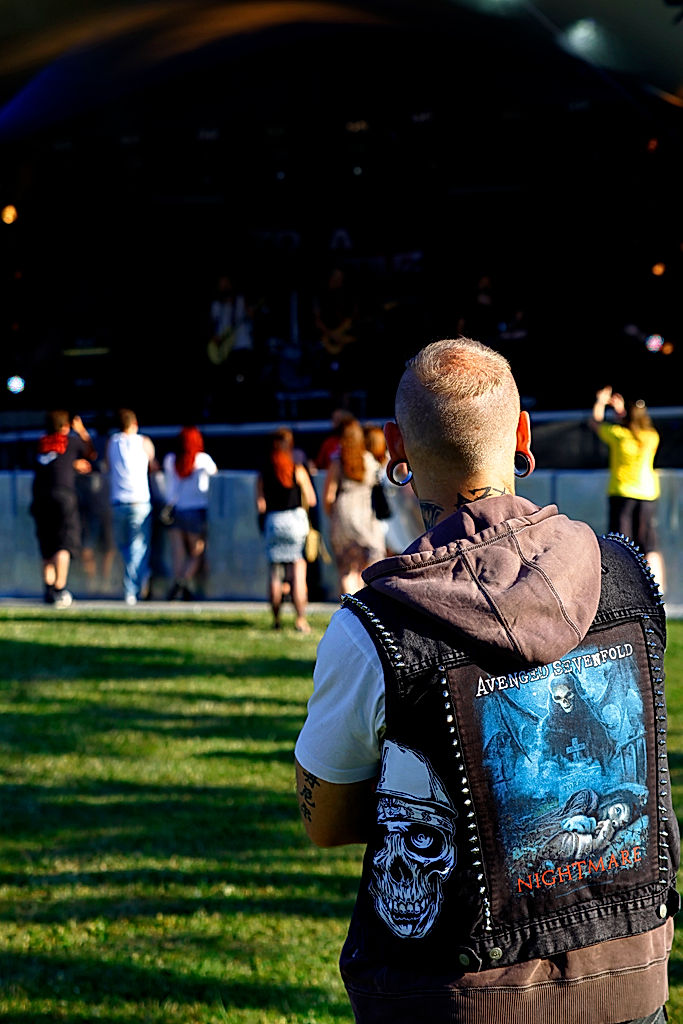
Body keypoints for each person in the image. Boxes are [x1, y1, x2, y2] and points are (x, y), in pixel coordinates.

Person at [295, 337, 678, 1024]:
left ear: (394, 448)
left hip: (452, 997)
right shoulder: (626, 571)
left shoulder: (373, 625)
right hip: (628, 978)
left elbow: (325, 821)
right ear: (521, 431)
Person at [590, 386, 664, 594]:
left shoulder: (619, 435)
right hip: (647, 494)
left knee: (621, 543)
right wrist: (624, 411)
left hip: (622, 493)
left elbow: (595, 423)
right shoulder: (651, 437)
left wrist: (601, 403)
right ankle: (656, 590)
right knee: (648, 544)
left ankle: (623, 588)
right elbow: (634, 423)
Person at [30, 409, 96, 607]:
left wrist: (71, 464)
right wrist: (82, 431)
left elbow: (53, 463)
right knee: (63, 544)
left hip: (40, 499)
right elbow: (91, 453)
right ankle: (60, 588)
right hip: (63, 498)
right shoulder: (70, 442)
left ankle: (48, 590)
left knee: (47, 547)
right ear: (65, 426)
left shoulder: (40, 444)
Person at [256, 427, 317, 633]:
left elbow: (260, 505)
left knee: (275, 574)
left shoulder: (264, 471)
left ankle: (276, 621)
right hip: (296, 522)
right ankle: (300, 620)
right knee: (298, 574)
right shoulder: (297, 469)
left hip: (274, 521)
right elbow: (311, 499)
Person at [323, 417, 387, 597]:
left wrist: (332, 516)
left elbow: (329, 495)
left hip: (343, 513)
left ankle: (348, 608)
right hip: (365, 514)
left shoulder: (338, 461)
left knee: (346, 570)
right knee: (365, 566)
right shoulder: (369, 461)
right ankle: (362, 608)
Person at [106, 408, 158, 605]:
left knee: (125, 547)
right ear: (134, 424)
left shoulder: (112, 442)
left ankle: (135, 583)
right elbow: (154, 466)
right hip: (140, 501)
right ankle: (135, 584)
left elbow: (107, 466)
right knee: (138, 547)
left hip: (118, 501)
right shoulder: (143, 442)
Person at [162, 425, 218, 600]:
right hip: (196, 511)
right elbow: (216, 478)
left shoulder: (170, 460)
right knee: (197, 552)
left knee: (178, 554)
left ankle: (178, 586)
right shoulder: (203, 460)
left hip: (175, 511)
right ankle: (183, 582)